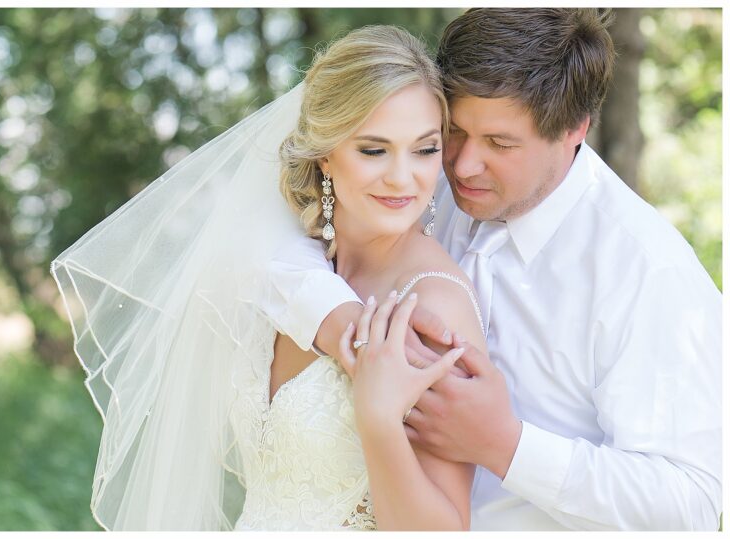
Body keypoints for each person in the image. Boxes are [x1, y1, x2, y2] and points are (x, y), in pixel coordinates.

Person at [264, 8, 722, 531]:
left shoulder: (645, 270)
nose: (461, 166)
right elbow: (277, 238)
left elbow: (693, 502)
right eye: (453, 132)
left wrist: (507, 445)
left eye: (500, 144)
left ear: (575, 128)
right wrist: (341, 319)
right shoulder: (420, 172)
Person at [52, 25, 485, 530]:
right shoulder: (292, 265)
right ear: (326, 152)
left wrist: (379, 421)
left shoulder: (432, 308)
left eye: (425, 149)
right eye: (373, 149)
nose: (402, 176)